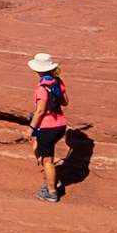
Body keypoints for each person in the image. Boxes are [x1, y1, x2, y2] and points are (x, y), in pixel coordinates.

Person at [28, 53, 74, 202]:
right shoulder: (58, 82)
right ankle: (52, 179)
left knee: (47, 160)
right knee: (39, 149)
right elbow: (65, 102)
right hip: (60, 125)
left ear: (38, 70)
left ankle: (52, 192)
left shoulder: (42, 88)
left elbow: (40, 111)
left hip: (47, 126)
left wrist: (30, 127)